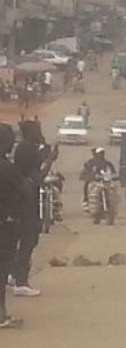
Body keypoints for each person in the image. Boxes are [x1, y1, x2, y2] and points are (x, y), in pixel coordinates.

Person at [10, 121, 49, 297]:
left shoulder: (23, 148)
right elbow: (37, 178)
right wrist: (48, 160)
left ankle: (14, 274)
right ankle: (21, 281)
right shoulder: (29, 150)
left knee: (22, 241)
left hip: (21, 200)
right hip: (27, 201)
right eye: (37, 130)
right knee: (29, 240)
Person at [0, 123, 26, 328]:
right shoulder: (7, 168)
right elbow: (26, 190)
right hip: (5, 225)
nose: (12, 145)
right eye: (10, 141)